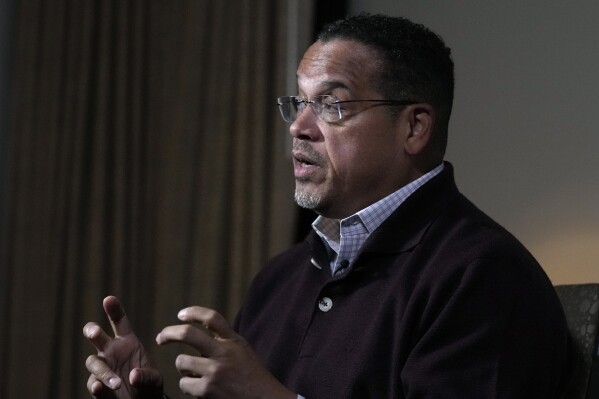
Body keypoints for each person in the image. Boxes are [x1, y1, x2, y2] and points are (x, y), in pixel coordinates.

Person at [84, 13, 573, 398]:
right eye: (298, 103)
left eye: (332, 105)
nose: (299, 127)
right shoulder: (279, 278)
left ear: (414, 128)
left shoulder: (482, 274)